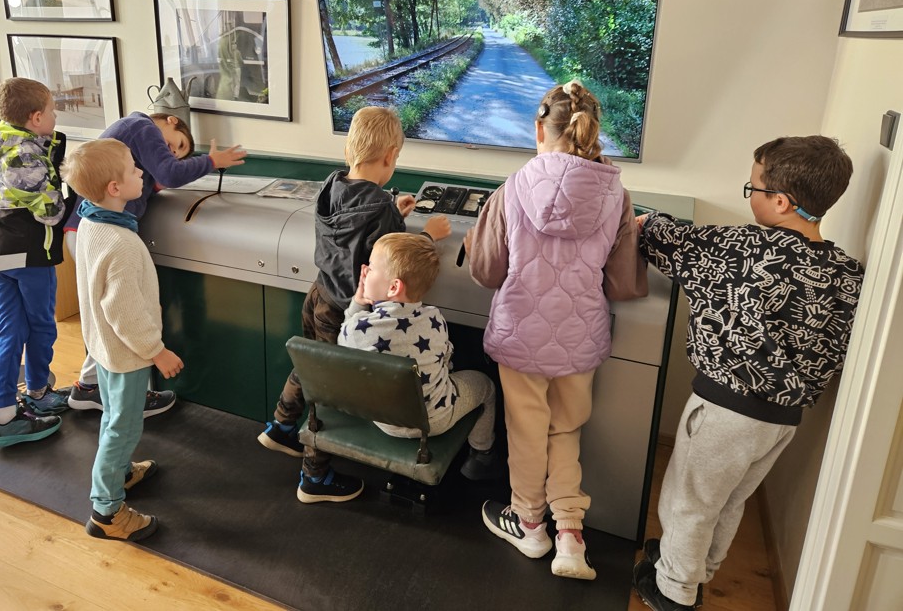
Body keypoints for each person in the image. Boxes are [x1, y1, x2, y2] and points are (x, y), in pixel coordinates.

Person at [632, 136, 864, 611]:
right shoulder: (847, 273)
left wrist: (646, 220)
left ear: (781, 202)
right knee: (728, 500)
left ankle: (674, 591)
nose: (750, 195)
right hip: (781, 423)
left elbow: (669, 240)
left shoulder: (741, 249)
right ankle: (696, 570)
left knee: (688, 501)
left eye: (752, 188)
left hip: (725, 410)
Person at [464, 80, 648, 579]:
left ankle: (529, 524)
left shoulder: (513, 186)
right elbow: (622, 281)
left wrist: (475, 240)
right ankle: (570, 533)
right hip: (579, 337)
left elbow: (487, 271)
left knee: (527, 431)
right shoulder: (616, 195)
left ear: (539, 129)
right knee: (566, 428)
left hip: (521, 334)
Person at [257, 105, 452, 503]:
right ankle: (314, 477)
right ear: (390, 156)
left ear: (350, 150)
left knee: (310, 366)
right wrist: (428, 235)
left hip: (319, 294)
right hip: (349, 310)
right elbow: (395, 260)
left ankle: (281, 425)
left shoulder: (331, 185)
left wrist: (393, 214)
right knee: (328, 390)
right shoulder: (380, 207)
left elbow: (354, 231)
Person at [63, 110, 246, 416]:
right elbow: (170, 174)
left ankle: (89, 386)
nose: (172, 153)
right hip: (98, 235)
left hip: (82, 231)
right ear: (172, 120)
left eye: (178, 154)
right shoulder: (141, 126)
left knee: (104, 321)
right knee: (120, 317)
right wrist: (213, 161)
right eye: (178, 145)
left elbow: (161, 177)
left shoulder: (131, 135)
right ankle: (129, 401)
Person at [61, 138, 185, 542]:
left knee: (114, 417)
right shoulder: (121, 244)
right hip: (127, 355)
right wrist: (157, 352)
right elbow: (125, 314)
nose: (141, 172)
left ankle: (120, 472)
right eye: (133, 168)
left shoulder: (91, 222)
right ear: (115, 188)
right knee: (123, 428)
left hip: (103, 347)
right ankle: (107, 510)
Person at [339, 232, 502, 480]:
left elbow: (343, 343)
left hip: (382, 418)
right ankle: (482, 454)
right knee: (486, 386)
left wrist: (358, 303)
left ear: (394, 287)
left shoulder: (357, 328)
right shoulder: (434, 318)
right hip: (435, 420)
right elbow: (446, 361)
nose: (364, 271)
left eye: (370, 268)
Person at [0, 77, 76, 448]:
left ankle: (4, 414)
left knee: (11, 331)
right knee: (42, 326)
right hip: (28, 255)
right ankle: (37, 392)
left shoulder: (1, 142)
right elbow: (51, 212)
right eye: (52, 111)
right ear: (35, 118)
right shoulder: (25, 154)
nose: (55, 117)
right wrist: (76, 192)